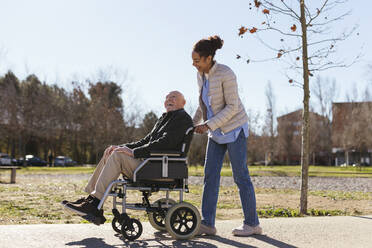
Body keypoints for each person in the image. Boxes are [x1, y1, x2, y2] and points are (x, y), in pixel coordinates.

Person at [62, 91, 193, 223]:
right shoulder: (165, 118)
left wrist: (133, 152)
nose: (169, 99)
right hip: (151, 165)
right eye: (167, 98)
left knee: (117, 156)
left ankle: (94, 203)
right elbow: (145, 141)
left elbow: (164, 143)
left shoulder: (182, 118)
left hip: (162, 169)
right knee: (111, 152)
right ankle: (91, 199)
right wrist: (121, 146)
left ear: (183, 103)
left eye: (173, 97)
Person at [192, 35, 262, 236]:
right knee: (210, 176)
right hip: (215, 132)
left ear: (208, 58)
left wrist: (208, 125)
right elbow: (203, 103)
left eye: (197, 60)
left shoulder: (226, 73)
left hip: (235, 128)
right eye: (193, 60)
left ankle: (252, 224)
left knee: (241, 176)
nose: (194, 64)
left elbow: (232, 107)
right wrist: (192, 123)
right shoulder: (201, 75)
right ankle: (207, 223)